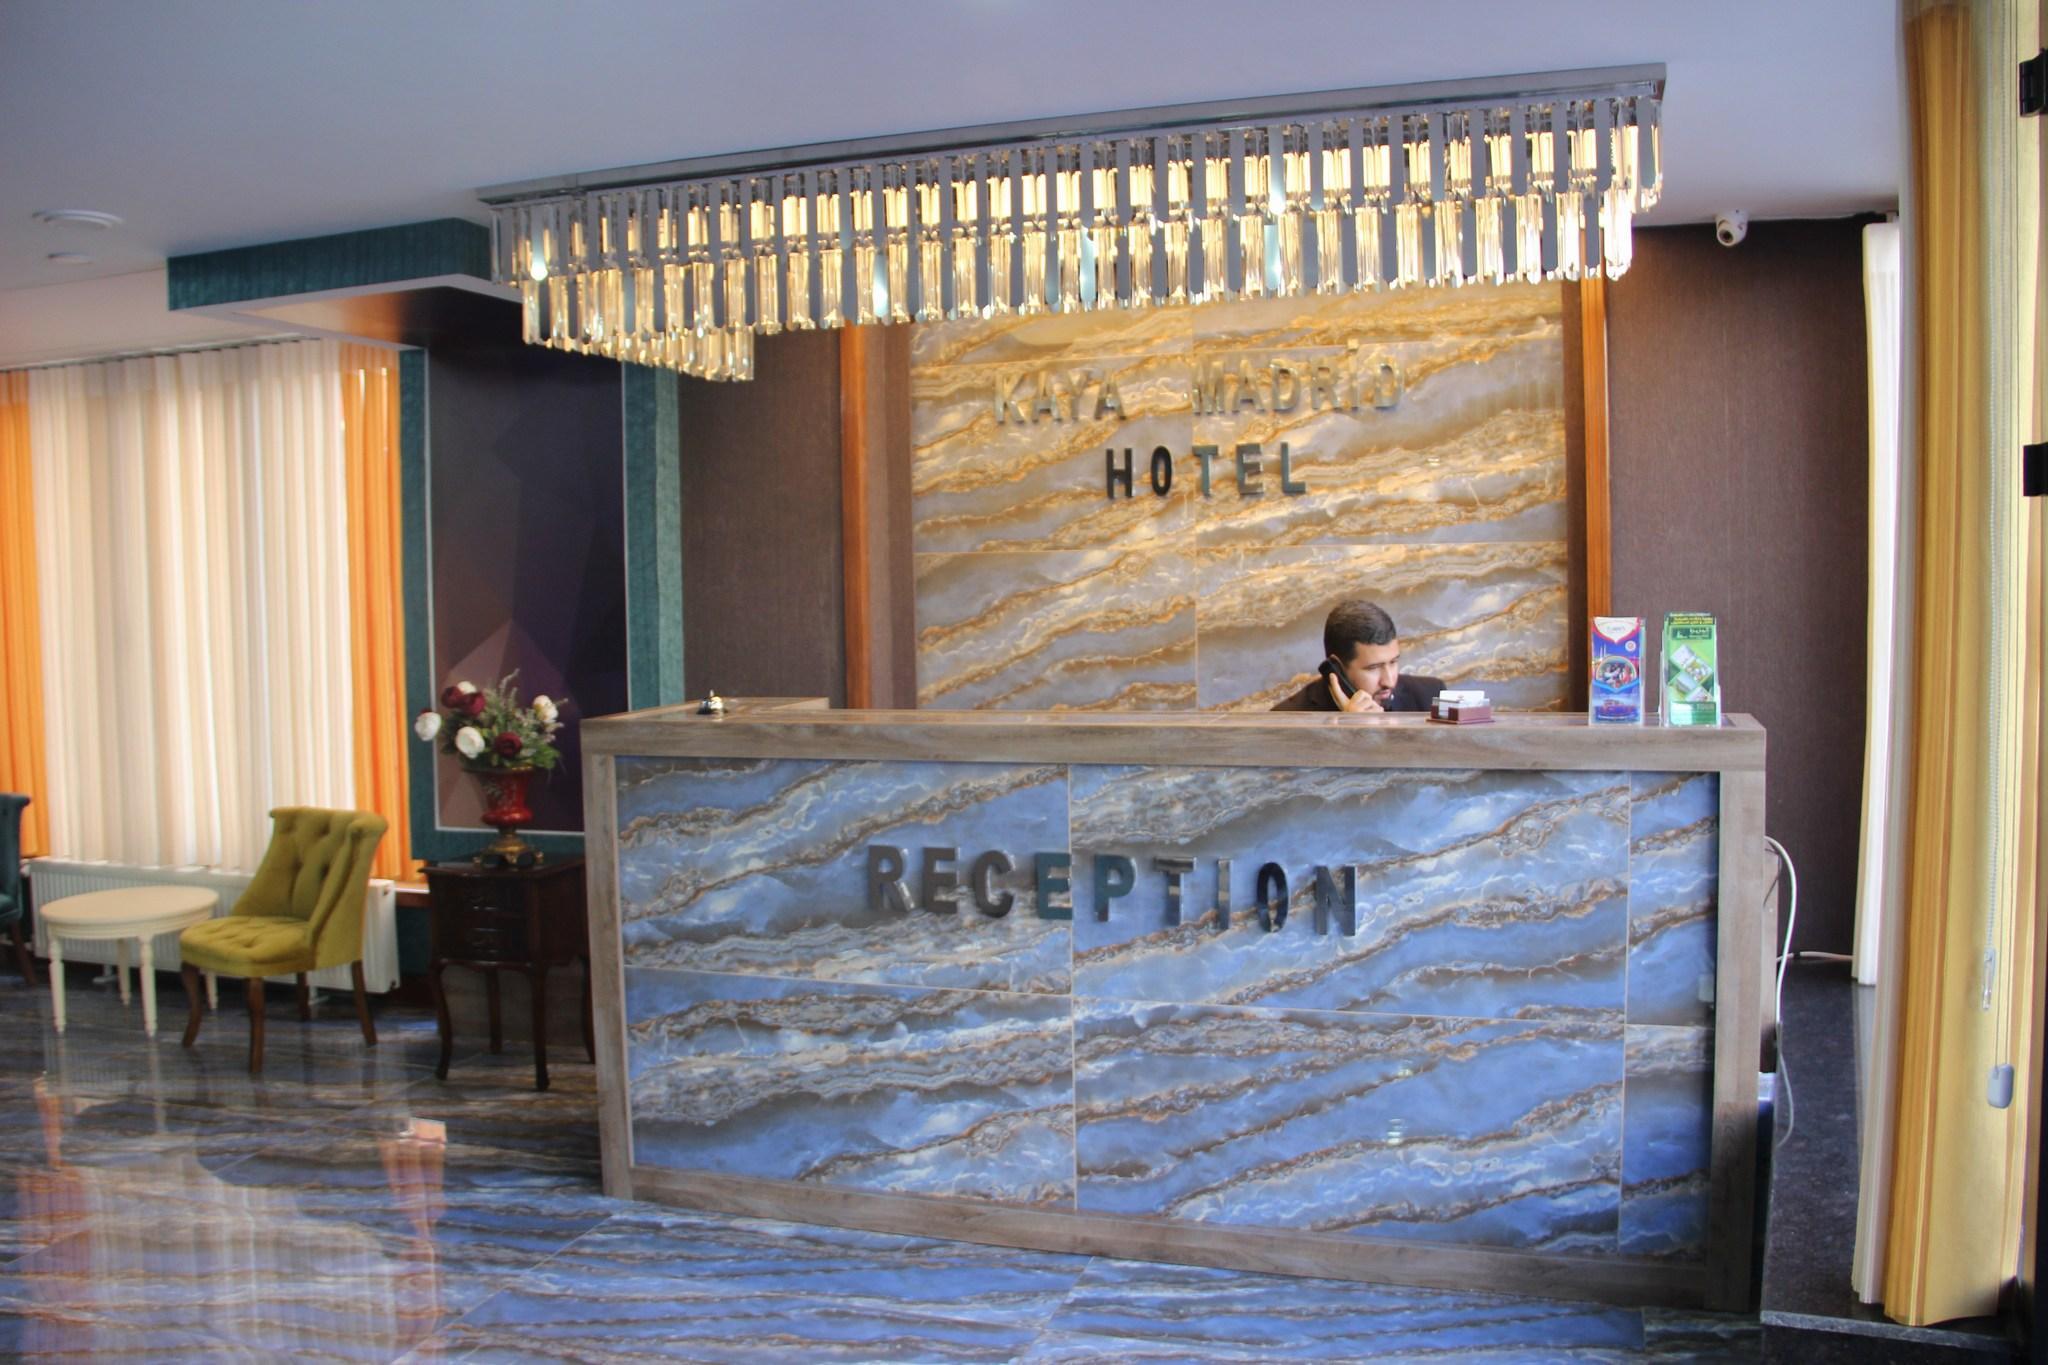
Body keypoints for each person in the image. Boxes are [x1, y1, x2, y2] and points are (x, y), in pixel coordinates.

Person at [1271, 600, 1445, 713]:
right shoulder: (1287, 719)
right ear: (1337, 668)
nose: (1389, 681)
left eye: (1393, 662)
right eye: (1373, 668)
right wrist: (1353, 733)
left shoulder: (1431, 695)